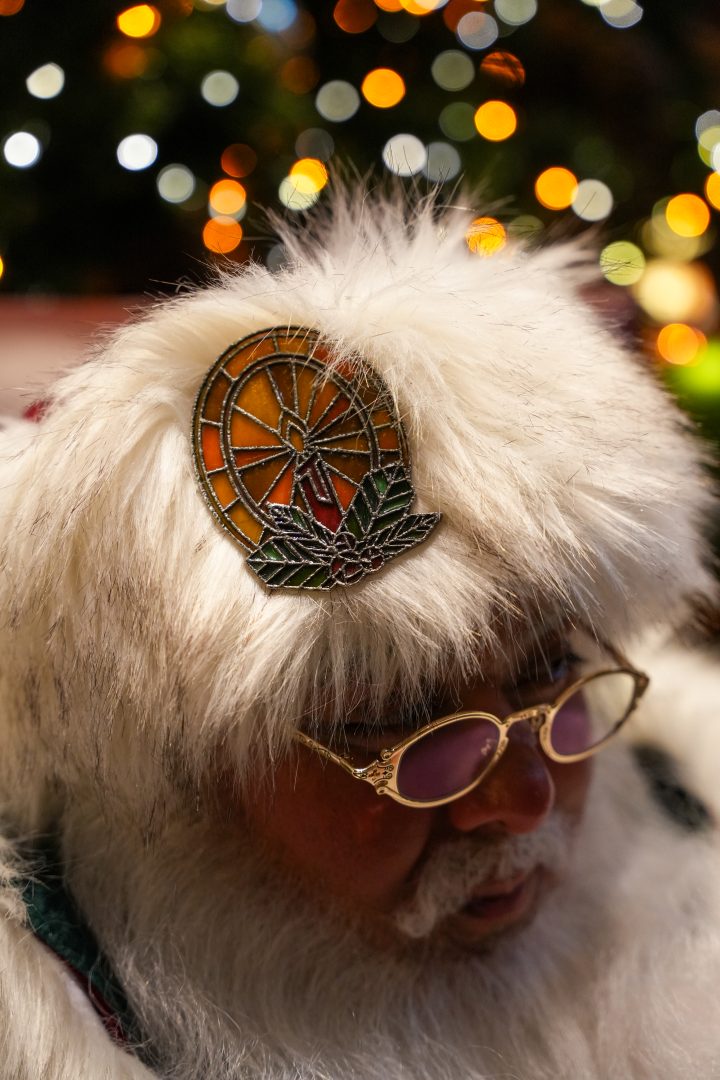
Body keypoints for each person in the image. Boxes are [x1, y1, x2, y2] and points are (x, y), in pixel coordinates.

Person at [1, 186, 720, 1080]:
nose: (526, 798)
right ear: (184, 780)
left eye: (551, 670)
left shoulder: (691, 793)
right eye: (400, 719)